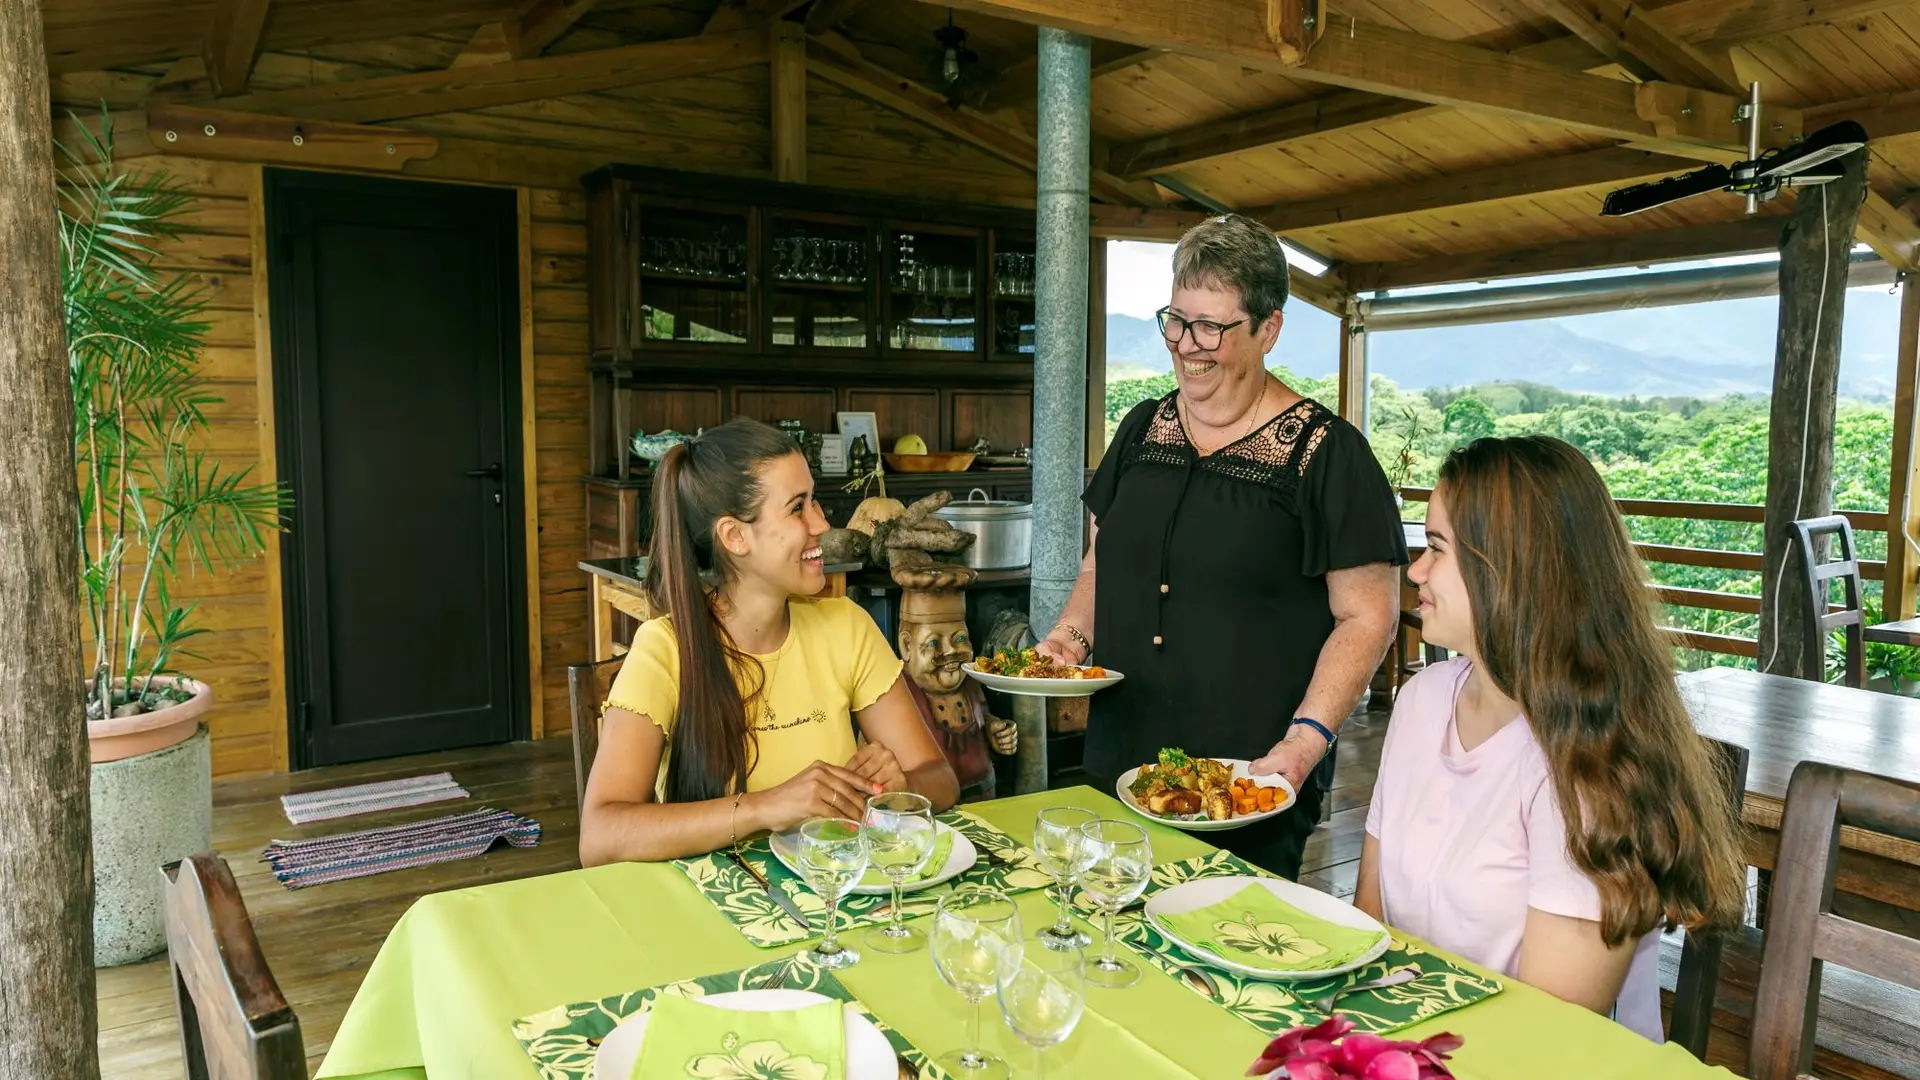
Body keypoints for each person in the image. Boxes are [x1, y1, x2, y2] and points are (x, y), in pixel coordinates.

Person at [1035, 213, 1406, 877]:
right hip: (1120, 755)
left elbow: (1367, 615)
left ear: (1269, 328)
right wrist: (1070, 641)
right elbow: (1102, 562)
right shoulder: (1142, 427)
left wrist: (1306, 741)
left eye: (1211, 326)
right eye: (1175, 320)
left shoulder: (1327, 455)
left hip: (1248, 777)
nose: (1186, 344)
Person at [1357, 436, 1745, 1041]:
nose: (1416, 570)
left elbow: (1549, 1036)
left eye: (1437, 548)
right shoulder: (1421, 701)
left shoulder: (1589, 759)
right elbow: (1369, 930)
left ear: (1511, 567)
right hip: (1410, 1046)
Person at [580, 419, 959, 865]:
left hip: (834, 894)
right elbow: (601, 838)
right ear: (735, 536)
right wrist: (767, 807)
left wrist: (899, 789)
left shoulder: (846, 627)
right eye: (797, 507)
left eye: (814, 500)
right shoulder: (664, 649)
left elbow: (941, 779)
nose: (820, 522)